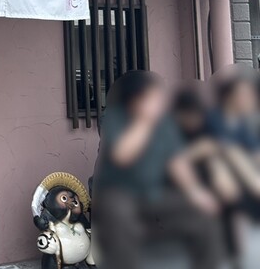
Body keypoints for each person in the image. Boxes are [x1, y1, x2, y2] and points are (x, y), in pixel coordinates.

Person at [92, 71, 225, 269]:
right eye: (152, 96)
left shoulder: (165, 123)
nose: (159, 101)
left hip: (153, 194)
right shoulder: (114, 118)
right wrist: (144, 121)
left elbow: (176, 161)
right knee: (119, 216)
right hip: (118, 193)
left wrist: (195, 192)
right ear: (136, 98)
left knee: (204, 215)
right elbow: (122, 156)